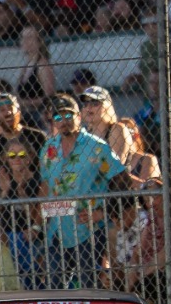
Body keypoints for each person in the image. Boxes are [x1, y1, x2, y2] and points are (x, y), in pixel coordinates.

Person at [39, 95, 131, 290]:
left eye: (68, 115)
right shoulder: (48, 148)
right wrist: (42, 221)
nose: (63, 121)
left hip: (88, 228)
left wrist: (104, 212)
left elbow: (122, 181)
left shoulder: (96, 147)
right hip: (57, 228)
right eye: (57, 117)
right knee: (54, 287)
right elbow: (45, 186)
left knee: (88, 286)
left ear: (79, 116)